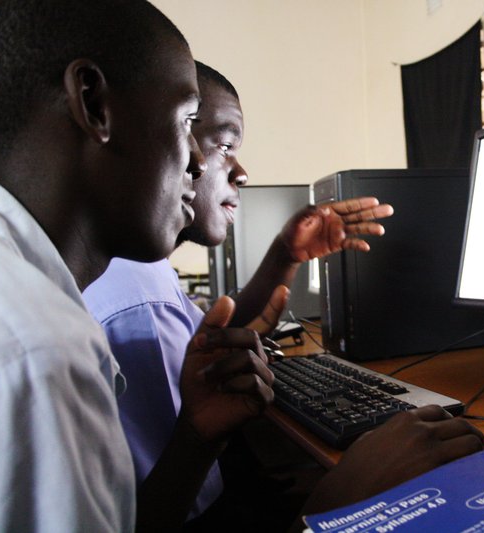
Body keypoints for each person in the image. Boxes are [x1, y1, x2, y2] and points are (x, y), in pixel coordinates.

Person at [0, 1, 484, 530]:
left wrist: (196, 432)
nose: (198, 159)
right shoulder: (32, 357)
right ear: (94, 104)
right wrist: (334, 509)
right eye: (189, 121)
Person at [81, 61, 402, 528]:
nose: (242, 172)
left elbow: (202, 348)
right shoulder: (136, 301)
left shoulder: (136, 270)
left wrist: (284, 254)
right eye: (224, 145)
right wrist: (338, 501)